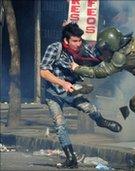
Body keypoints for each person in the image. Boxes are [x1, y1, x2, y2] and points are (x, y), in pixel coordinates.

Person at [40, 23, 122, 168]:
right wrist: (62, 83)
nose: (78, 44)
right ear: (66, 40)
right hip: (53, 93)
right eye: (75, 41)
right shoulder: (54, 48)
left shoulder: (81, 49)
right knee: (60, 125)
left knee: (89, 108)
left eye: (79, 40)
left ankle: (101, 121)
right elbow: (43, 72)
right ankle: (71, 158)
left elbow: (97, 55)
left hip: (72, 91)